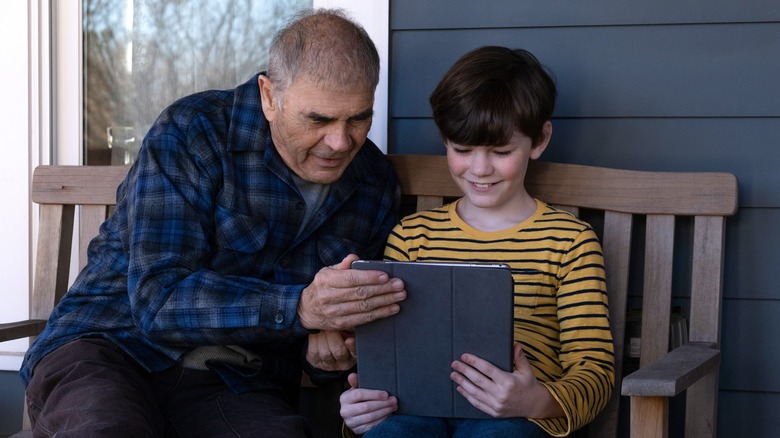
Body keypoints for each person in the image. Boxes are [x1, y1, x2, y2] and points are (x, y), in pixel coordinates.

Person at [20, 8, 407, 438]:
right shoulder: (193, 131)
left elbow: (328, 336)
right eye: (318, 119)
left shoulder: (373, 184)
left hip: (233, 377)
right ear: (268, 96)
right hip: (110, 347)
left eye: (358, 118)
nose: (340, 141)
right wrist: (301, 307)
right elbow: (158, 298)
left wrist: (326, 349)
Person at [339, 46, 615, 437]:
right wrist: (363, 407)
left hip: (512, 419)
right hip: (413, 410)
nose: (480, 168)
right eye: (461, 149)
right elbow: (387, 353)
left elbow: (594, 370)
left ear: (539, 140)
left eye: (501, 151)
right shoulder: (412, 236)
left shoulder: (569, 242)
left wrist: (536, 401)